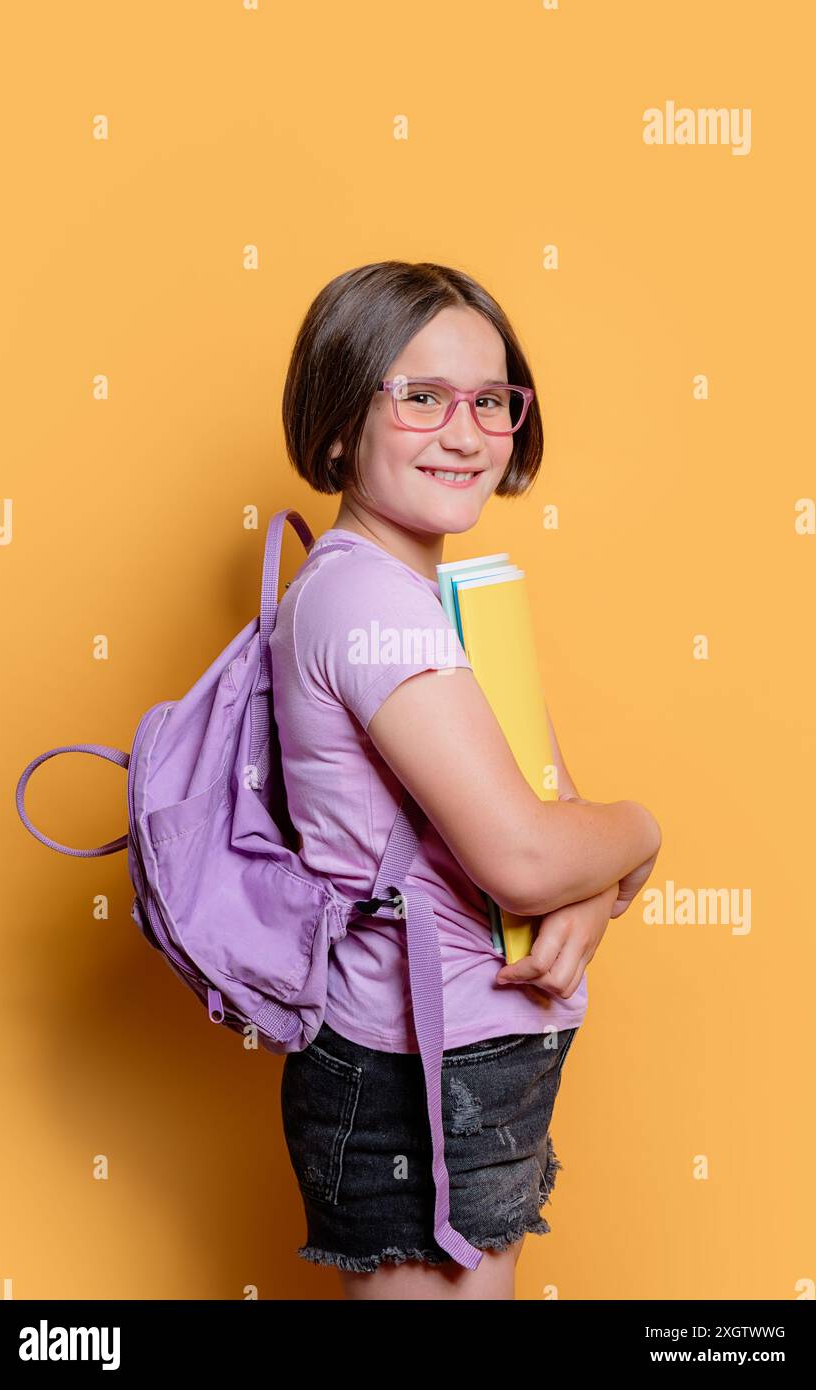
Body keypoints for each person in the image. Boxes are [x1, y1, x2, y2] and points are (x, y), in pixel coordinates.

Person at [269, 260, 662, 1300]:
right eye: (421, 395)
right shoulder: (372, 607)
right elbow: (528, 851)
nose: (464, 431)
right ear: (340, 421)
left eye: (490, 399)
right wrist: (645, 829)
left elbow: (553, 825)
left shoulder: (441, 594)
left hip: (472, 1063)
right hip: (414, 1079)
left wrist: (590, 880)